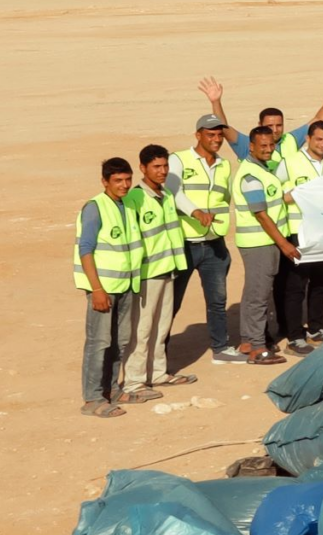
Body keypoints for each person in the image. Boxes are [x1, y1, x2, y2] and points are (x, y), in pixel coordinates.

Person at [75, 157, 146, 416]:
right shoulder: (95, 208)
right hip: (104, 288)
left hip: (126, 284)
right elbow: (86, 250)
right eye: (118, 180)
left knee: (120, 341)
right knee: (99, 342)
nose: (124, 185)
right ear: (105, 181)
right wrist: (96, 289)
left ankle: (112, 389)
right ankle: (92, 398)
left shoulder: (127, 205)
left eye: (127, 180)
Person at [122, 145, 191, 397]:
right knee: (141, 330)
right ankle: (133, 380)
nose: (162, 172)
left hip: (168, 270)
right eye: (156, 167)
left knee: (162, 326)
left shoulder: (167, 196)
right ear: (143, 168)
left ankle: (158, 373)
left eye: (165, 166)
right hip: (147, 274)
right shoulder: (135, 199)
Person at [228, 126, 298, 363]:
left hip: (262, 241)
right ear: (251, 146)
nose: (269, 149)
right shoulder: (251, 176)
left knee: (253, 292)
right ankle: (258, 348)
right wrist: (284, 244)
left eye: (271, 145)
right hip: (259, 242)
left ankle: (249, 340)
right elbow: (261, 215)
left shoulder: (263, 170)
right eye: (263, 146)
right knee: (259, 295)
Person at [172, 112, 237, 359]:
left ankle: (221, 349)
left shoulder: (224, 165)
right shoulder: (178, 160)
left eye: (219, 135)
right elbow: (173, 192)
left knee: (218, 300)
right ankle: (158, 353)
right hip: (184, 244)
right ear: (198, 134)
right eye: (210, 134)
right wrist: (195, 211)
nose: (216, 139)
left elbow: (227, 199)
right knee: (172, 302)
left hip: (214, 244)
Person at [274, 121, 323, 349]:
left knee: (321, 282)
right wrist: (292, 195)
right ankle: (294, 336)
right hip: (298, 232)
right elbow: (275, 193)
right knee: (296, 285)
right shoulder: (289, 163)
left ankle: (316, 327)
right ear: (308, 139)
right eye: (319, 139)